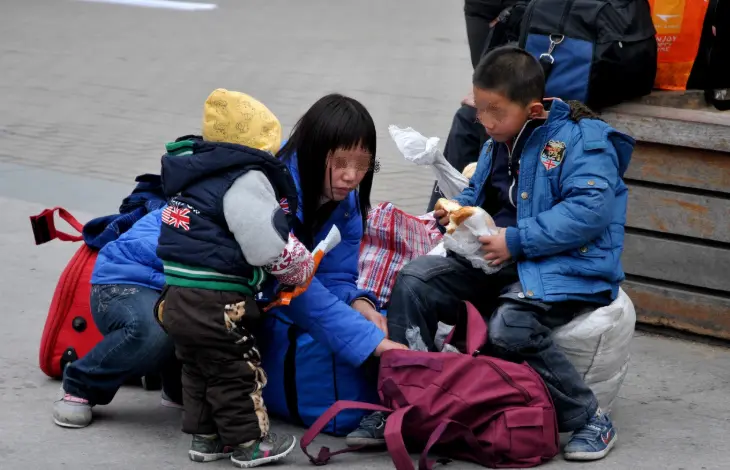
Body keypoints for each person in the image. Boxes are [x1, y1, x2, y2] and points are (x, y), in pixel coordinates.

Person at [347, 45, 634, 462]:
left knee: (509, 328)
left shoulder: (583, 140)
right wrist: (452, 214)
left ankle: (588, 417)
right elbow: (473, 193)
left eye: (493, 110)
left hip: (566, 269)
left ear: (533, 109)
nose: (483, 120)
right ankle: (409, 400)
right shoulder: (497, 140)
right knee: (413, 282)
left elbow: (588, 212)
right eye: (479, 107)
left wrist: (515, 240)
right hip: (495, 263)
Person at [154, 89, 321, 467]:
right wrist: (297, 264)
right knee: (235, 369)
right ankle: (249, 443)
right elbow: (263, 242)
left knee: (198, 368)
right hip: (217, 299)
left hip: (176, 295)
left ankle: (206, 439)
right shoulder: (245, 179)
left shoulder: (194, 174)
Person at [258, 94, 407, 434]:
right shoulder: (271, 192)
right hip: (165, 280)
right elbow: (295, 291)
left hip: (265, 292)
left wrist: (360, 301)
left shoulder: (347, 204)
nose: (351, 176)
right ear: (313, 152)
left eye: (363, 164)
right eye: (340, 163)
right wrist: (374, 345)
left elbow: (335, 275)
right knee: (150, 338)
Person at [52, 207, 182, 429]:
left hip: (173, 287)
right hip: (125, 279)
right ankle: (80, 384)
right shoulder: (195, 204)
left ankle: (177, 386)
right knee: (152, 329)